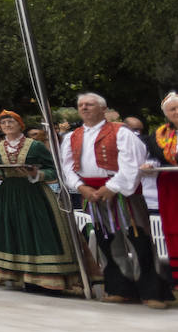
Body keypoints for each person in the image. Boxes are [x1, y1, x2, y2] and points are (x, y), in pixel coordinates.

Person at [60, 92, 172, 309]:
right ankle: (120, 288)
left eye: (90, 104)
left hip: (123, 193)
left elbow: (134, 162)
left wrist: (111, 187)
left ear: (103, 109)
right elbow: (67, 167)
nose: (84, 108)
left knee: (139, 240)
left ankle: (153, 292)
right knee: (107, 242)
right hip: (92, 193)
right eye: (81, 105)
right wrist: (80, 187)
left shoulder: (121, 132)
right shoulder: (72, 136)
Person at [0, 110, 84, 295]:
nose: (7, 125)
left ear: (20, 124)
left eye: (10, 121)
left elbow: (54, 171)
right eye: (3, 123)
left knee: (39, 232)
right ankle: (24, 278)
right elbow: (2, 173)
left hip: (35, 194)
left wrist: (35, 174)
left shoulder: (35, 146)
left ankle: (49, 279)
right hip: (9, 195)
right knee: (16, 232)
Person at [141, 92, 178, 286]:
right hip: (171, 187)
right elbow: (152, 159)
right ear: (166, 114)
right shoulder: (158, 136)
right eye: (172, 109)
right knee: (174, 230)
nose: (177, 112)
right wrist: (148, 165)